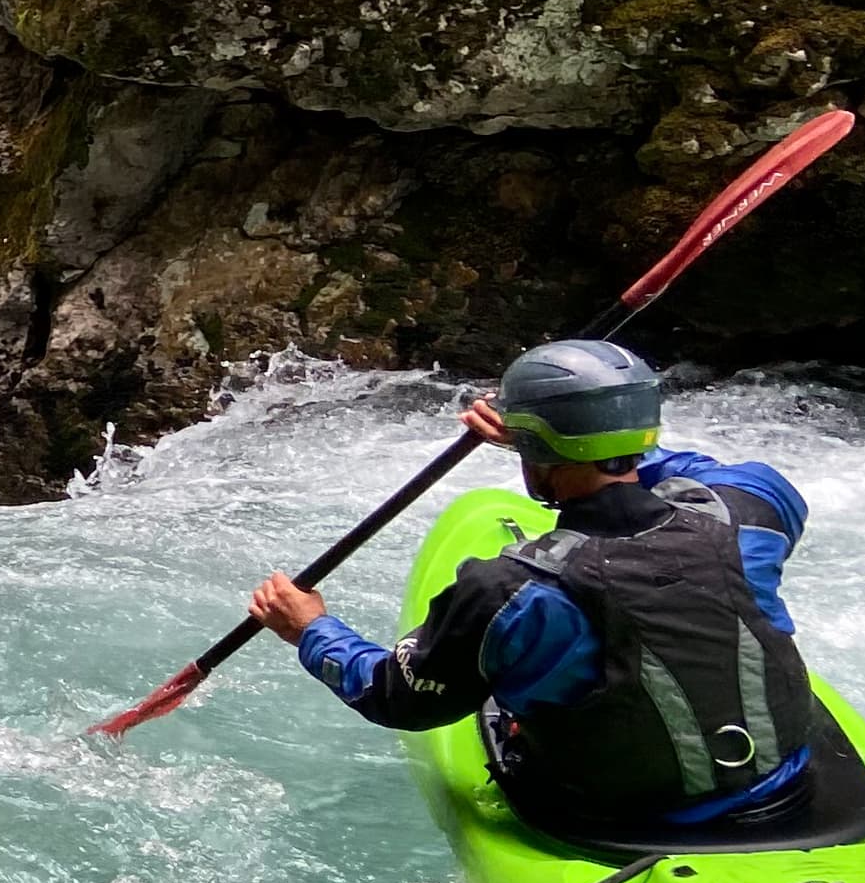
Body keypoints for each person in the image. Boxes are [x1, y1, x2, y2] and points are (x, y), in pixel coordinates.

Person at [244, 340, 833, 841]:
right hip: (783, 789)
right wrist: (565, 436)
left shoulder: (510, 589)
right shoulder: (749, 512)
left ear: (535, 450)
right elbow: (697, 474)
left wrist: (310, 629)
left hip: (623, 817)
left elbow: (401, 699)